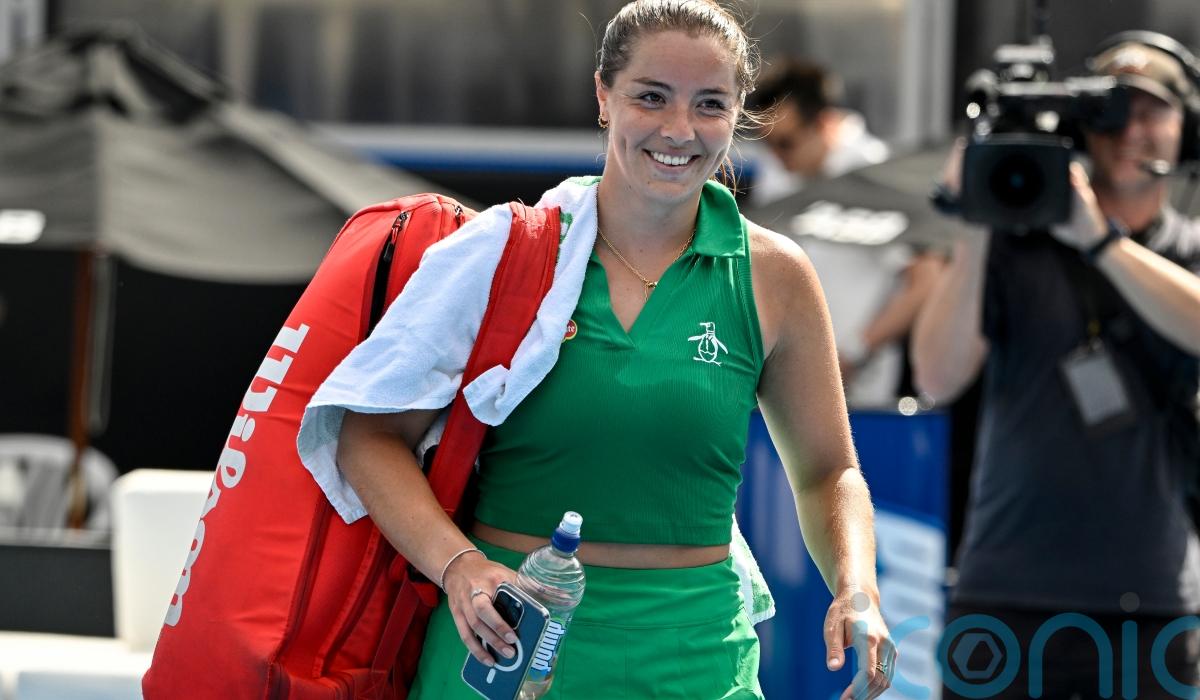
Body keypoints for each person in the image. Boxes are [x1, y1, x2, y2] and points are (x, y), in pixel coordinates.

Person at [306, 1, 896, 698]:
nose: (679, 130)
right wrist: (457, 566)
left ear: (738, 114)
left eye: (710, 104)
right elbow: (367, 436)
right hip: (502, 647)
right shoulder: (505, 251)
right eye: (652, 97)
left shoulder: (775, 276)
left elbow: (828, 470)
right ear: (603, 97)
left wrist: (857, 587)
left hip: (697, 657)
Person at [912, 32, 1200, 698]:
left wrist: (1099, 242)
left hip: (1151, 602)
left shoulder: (1187, 249)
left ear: (1186, 128)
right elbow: (936, 377)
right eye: (1112, 111)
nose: (1130, 131)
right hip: (1005, 594)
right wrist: (978, 216)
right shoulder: (1015, 244)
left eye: (1152, 111)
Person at [748, 60, 945, 407]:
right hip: (779, 382)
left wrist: (853, 354)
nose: (777, 157)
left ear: (825, 124)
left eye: (786, 143)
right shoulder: (776, 176)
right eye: (768, 145)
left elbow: (926, 281)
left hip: (860, 396)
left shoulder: (879, 177)